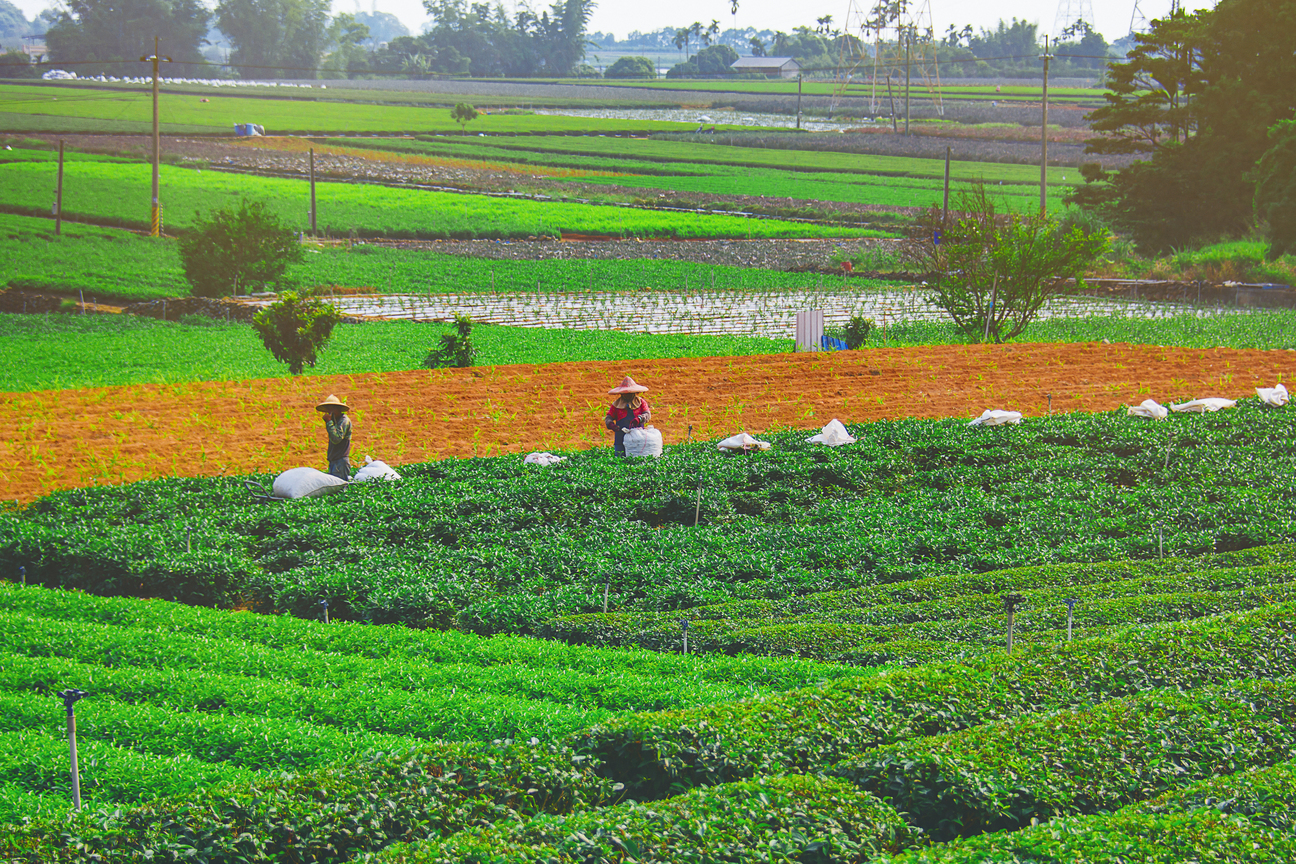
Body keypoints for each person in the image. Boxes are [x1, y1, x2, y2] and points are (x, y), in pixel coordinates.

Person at [604, 376, 651, 457]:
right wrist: (611, 425)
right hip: (620, 436)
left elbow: (647, 414)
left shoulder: (640, 402)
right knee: (620, 458)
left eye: (630, 393)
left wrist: (639, 419)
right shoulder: (616, 404)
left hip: (638, 436)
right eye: (626, 393)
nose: (628, 395)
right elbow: (608, 417)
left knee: (637, 457)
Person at [316, 394, 352, 480]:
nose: (329, 411)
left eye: (332, 408)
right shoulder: (335, 421)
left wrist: (328, 422)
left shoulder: (344, 420)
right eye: (328, 409)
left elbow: (337, 438)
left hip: (340, 461)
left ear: (338, 409)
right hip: (334, 461)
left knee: (340, 489)